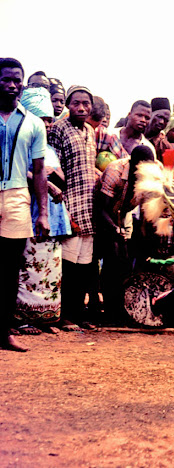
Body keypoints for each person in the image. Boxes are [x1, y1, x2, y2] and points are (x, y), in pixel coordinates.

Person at [0, 58, 50, 352]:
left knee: (9, 270)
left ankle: (4, 332)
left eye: (17, 80)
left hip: (18, 196)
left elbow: (40, 169)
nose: (12, 85)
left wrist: (43, 213)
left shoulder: (32, 123)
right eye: (6, 79)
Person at [15, 87, 72, 335]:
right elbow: (23, 173)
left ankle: (46, 318)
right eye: (42, 119)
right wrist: (46, 182)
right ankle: (22, 319)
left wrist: (55, 177)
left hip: (53, 215)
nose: (47, 125)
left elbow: (59, 176)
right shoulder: (23, 144)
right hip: (31, 212)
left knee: (50, 268)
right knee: (28, 266)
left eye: (49, 119)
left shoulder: (50, 149)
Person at [49, 85, 98, 331]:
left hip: (89, 207)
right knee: (67, 266)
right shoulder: (58, 129)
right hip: (68, 205)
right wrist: (63, 208)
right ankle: (64, 315)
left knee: (84, 266)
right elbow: (53, 168)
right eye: (76, 103)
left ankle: (79, 314)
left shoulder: (91, 130)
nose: (81, 107)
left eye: (86, 103)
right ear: (68, 105)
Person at [97, 145, 156, 325]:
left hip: (124, 214)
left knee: (124, 262)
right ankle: (108, 310)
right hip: (104, 213)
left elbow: (148, 211)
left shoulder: (152, 174)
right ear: (134, 164)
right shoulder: (115, 171)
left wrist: (146, 240)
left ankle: (120, 308)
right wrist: (115, 230)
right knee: (111, 258)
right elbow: (101, 208)